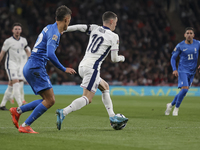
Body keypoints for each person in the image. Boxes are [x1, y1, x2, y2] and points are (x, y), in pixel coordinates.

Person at [56, 11, 128, 130]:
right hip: (92, 68)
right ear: (111, 21)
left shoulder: (95, 28)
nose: (115, 25)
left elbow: (79, 27)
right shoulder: (114, 36)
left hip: (82, 65)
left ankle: (112, 116)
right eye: (115, 22)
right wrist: (122, 58)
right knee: (87, 98)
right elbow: (114, 59)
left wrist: (64, 29)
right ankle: (63, 112)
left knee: (105, 86)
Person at [9, 5, 76, 133]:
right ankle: (25, 125)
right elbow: (50, 54)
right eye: (70, 20)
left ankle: (17, 111)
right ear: (66, 19)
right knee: (50, 100)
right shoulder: (55, 33)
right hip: (36, 67)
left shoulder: (50, 28)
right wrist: (63, 69)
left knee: (46, 100)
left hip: (30, 66)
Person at [165, 27, 200, 116]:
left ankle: (170, 104)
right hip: (183, 70)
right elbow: (173, 58)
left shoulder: (198, 44)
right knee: (184, 90)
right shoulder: (180, 45)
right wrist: (174, 69)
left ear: (193, 35)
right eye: (187, 33)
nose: (189, 35)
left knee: (184, 91)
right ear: (184, 35)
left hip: (192, 72)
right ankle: (176, 109)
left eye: (190, 33)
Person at [0, 23, 31, 111]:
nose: (17, 31)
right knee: (16, 82)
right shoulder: (8, 41)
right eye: (15, 29)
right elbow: (2, 53)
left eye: (19, 29)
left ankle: (2, 105)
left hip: (19, 65)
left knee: (11, 84)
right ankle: (21, 104)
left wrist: (29, 56)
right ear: (12, 30)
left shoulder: (23, 40)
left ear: (21, 31)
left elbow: (26, 48)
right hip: (11, 65)